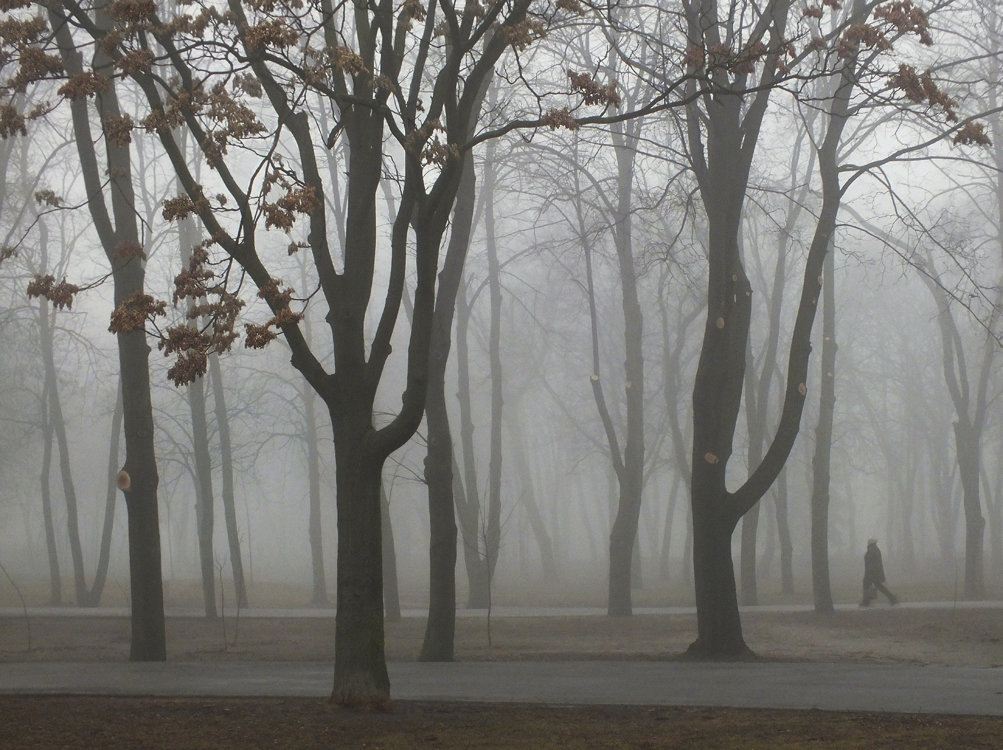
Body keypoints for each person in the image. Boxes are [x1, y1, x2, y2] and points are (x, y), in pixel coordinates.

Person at [860, 538, 898, 606]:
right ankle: (892, 598)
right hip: (874, 573)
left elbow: (871, 563)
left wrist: (870, 573)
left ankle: (866, 602)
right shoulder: (874, 549)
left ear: (871, 543)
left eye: (869, 541)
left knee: (868, 586)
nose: (867, 542)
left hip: (872, 573)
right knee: (878, 586)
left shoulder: (872, 550)